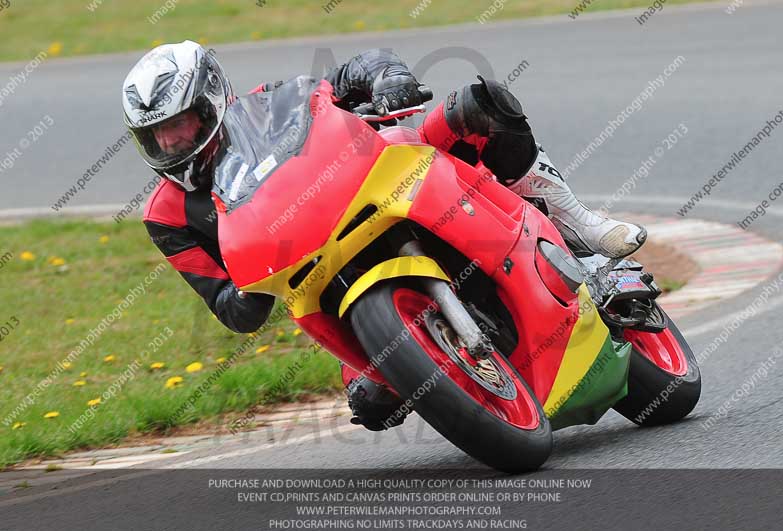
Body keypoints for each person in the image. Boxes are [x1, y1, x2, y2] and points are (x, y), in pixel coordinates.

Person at [123, 40, 647, 432]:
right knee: (372, 403)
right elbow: (227, 306)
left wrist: (388, 78)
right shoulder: (166, 215)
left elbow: (355, 68)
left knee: (477, 105)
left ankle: (579, 224)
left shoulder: (269, 104)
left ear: (213, 100)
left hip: (385, 189)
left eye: (183, 124)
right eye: (157, 135)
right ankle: (468, 383)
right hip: (326, 284)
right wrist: (245, 285)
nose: (172, 142)